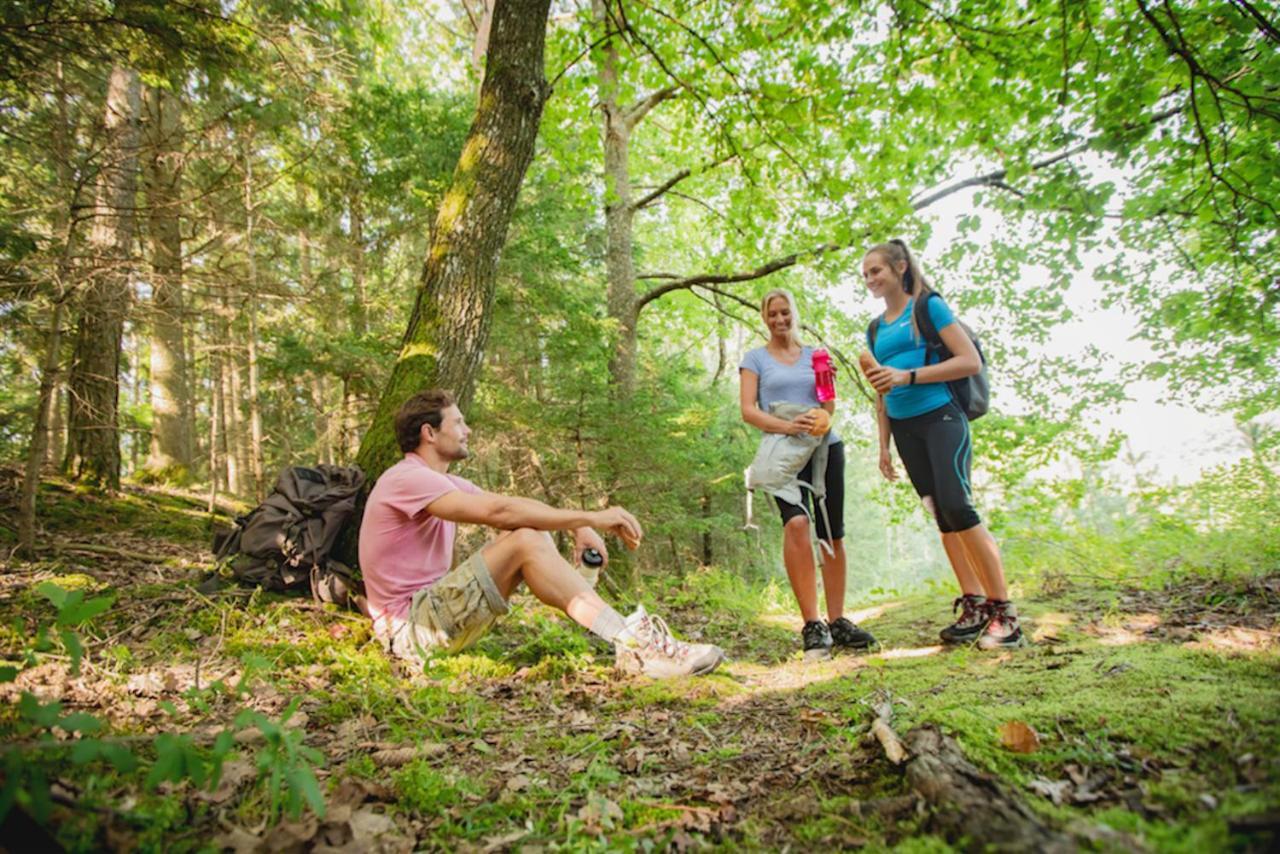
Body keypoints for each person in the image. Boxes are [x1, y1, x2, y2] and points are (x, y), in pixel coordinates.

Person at [358, 389, 725, 678]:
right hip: (409, 630)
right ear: (429, 432)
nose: (467, 430)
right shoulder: (405, 479)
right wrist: (593, 517)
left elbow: (514, 506)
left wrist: (579, 525)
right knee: (526, 539)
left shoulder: (443, 482)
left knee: (529, 533)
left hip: (431, 619)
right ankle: (635, 644)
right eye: (458, 422)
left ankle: (621, 632)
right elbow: (499, 512)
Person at [860, 240, 1024, 649]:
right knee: (941, 516)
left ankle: (1004, 613)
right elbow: (881, 389)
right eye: (865, 275)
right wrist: (883, 446)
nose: (870, 280)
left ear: (900, 267)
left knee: (958, 506)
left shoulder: (928, 307)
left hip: (941, 417)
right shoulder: (876, 328)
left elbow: (970, 361)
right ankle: (973, 605)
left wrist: (909, 376)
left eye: (876, 270)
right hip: (904, 429)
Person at [739, 289, 877, 660]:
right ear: (764, 317)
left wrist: (823, 417)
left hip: (825, 448)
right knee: (797, 524)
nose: (779, 320)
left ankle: (837, 621)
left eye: (785, 313)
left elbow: (828, 403)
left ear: (794, 314)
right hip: (782, 454)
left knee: (832, 532)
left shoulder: (815, 355)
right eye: (772, 314)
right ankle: (812, 624)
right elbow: (748, 411)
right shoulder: (755, 359)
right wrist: (788, 427)